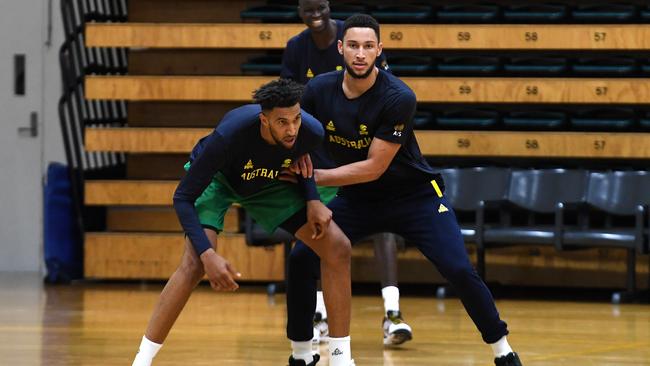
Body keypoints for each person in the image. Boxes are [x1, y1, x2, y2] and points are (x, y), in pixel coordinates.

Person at [286, 14, 523, 366]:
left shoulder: (398, 96)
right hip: (358, 199)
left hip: (414, 198)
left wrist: (314, 178)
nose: (360, 54)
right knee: (301, 257)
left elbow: (374, 167)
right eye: (353, 46)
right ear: (340, 49)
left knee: (457, 268)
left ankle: (503, 350)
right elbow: (295, 140)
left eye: (368, 46)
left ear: (379, 50)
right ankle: (302, 354)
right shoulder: (319, 90)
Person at [130, 79, 354, 366]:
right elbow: (182, 197)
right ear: (264, 119)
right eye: (282, 122)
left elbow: (302, 159)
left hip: (266, 183)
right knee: (193, 264)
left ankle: (339, 358)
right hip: (219, 180)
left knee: (338, 246)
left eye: (296, 119)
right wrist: (208, 254)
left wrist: (312, 199)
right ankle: (142, 361)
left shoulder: (310, 131)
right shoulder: (229, 135)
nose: (292, 129)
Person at [281, 0, 410, 346]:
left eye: (320, 6)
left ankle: (392, 312)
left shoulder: (357, 37)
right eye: (307, 8)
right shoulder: (296, 48)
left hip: (359, 145)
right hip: (317, 153)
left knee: (383, 226)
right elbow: (289, 102)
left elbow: (385, 88)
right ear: (299, 12)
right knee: (314, 229)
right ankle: (319, 314)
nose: (315, 13)